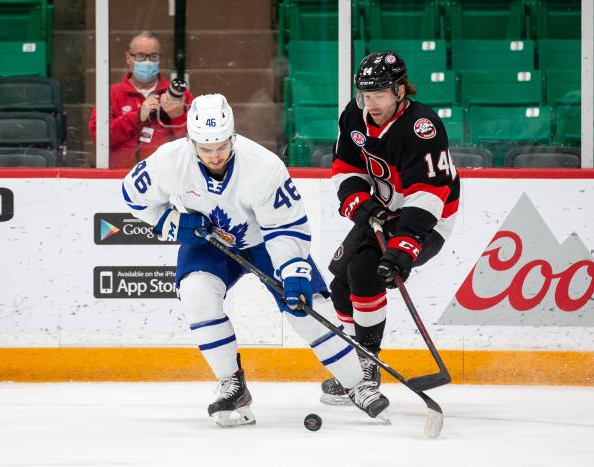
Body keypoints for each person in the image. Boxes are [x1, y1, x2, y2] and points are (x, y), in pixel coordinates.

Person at [121, 93, 390, 426]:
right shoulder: (168, 161)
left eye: (222, 145)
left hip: (265, 241)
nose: (215, 155)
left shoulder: (263, 166)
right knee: (196, 295)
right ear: (191, 142)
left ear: (232, 136)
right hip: (211, 242)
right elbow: (133, 196)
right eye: (206, 149)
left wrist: (293, 273)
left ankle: (357, 385)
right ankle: (231, 383)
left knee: (307, 309)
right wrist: (172, 222)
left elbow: (286, 227)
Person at [320, 51, 460, 404]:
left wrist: (405, 244)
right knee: (340, 283)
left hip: (427, 219)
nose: (371, 103)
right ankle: (354, 365)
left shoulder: (422, 127)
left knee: (365, 269)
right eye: (366, 95)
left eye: (379, 94)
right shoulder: (354, 115)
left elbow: (430, 194)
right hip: (383, 211)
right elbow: (344, 167)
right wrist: (357, 200)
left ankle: (368, 365)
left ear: (400, 91)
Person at [89, 31, 194, 169]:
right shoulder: (111, 94)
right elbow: (99, 136)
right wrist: (137, 117)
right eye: (140, 56)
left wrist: (179, 117)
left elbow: (198, 142)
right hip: (119, 177)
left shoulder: (179, 95)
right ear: (128, 58)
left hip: (167, 177)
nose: (147, 62)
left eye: (153, 56)